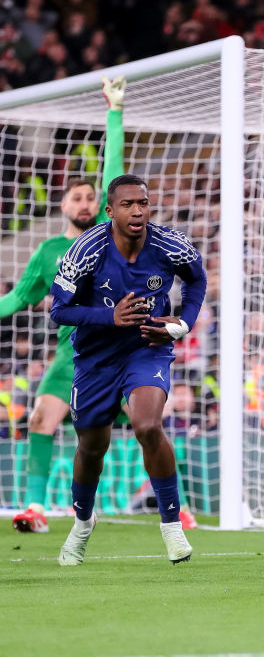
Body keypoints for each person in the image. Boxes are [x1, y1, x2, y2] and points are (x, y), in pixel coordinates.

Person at [49, 173, 207, 565]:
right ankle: (83, 523)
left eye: (143, 203)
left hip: (146, 349)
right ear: (110, 211)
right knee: (91, 446)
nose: (137, 211)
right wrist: (109, 316)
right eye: (128, 204)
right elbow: (58, 309)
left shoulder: (170, 244)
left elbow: (196, 279)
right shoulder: (87, 249)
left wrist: (183, 323)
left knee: (148, 426)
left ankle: (171, 525)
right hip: (95, 358)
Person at [5, 76, 122, 534]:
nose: (87, 201)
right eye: (78, 197)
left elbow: (114, 166)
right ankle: (35, 508)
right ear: (62, 205)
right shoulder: (49, 251)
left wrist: (114, 111)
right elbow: (18, 298)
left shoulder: (108, 239)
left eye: (92, 196)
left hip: (117, 348)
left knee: (149, 424)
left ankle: (179, 506)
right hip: (70, 354)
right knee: (39, 418)